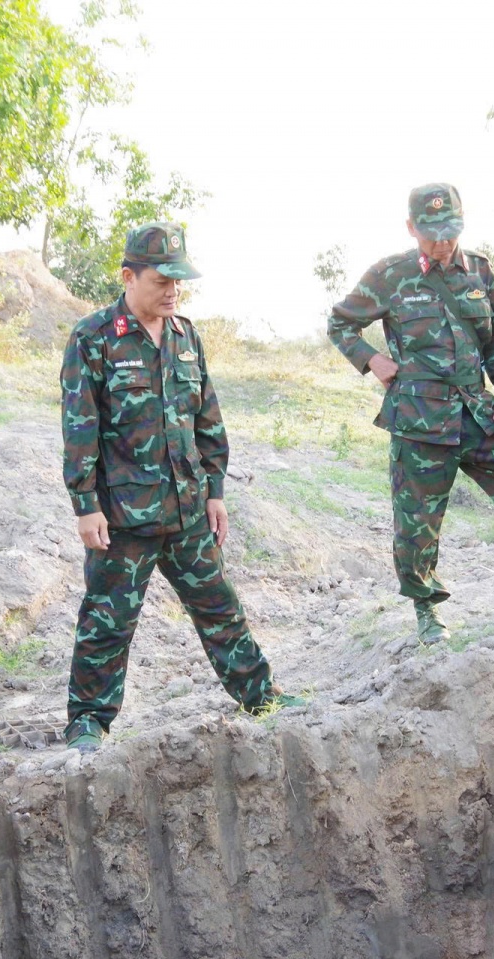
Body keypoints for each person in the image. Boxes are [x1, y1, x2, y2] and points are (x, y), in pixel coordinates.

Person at [59, 222, 301, 752]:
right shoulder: (93, 338)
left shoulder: (186, 336)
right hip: (124, 516)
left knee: (220, 608)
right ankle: (88, 722)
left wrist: (215, 491)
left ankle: (260, 696)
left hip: (188, 507)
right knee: (108, 621)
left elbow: (207, 419)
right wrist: (85, 504)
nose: (172, 291)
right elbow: (80, 427)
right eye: (161, 281)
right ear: (129, 277)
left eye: (178, 281)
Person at [328, 184, 494, 645]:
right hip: (419, 418)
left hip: (476, 410)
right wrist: (371, 360)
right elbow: (340, 322)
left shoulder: (480, 272)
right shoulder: (389, 275)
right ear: (411, 228)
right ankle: (427, 611)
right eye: (431, 232)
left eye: (450, 230)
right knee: (417, 522)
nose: (442, 241)